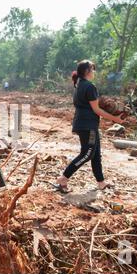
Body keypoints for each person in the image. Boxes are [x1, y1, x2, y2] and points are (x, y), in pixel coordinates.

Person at [53, 60, 124, 193]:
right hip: (88, 126)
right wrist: (115, 119)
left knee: (95, 154)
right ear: (87, 71)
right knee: (87, 153)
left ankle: (101, 183)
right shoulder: (89, 86)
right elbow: (96, 110)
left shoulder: (79, 85)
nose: (94, 72)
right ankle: (64, 178)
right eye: (93, 69)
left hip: (84, 124)